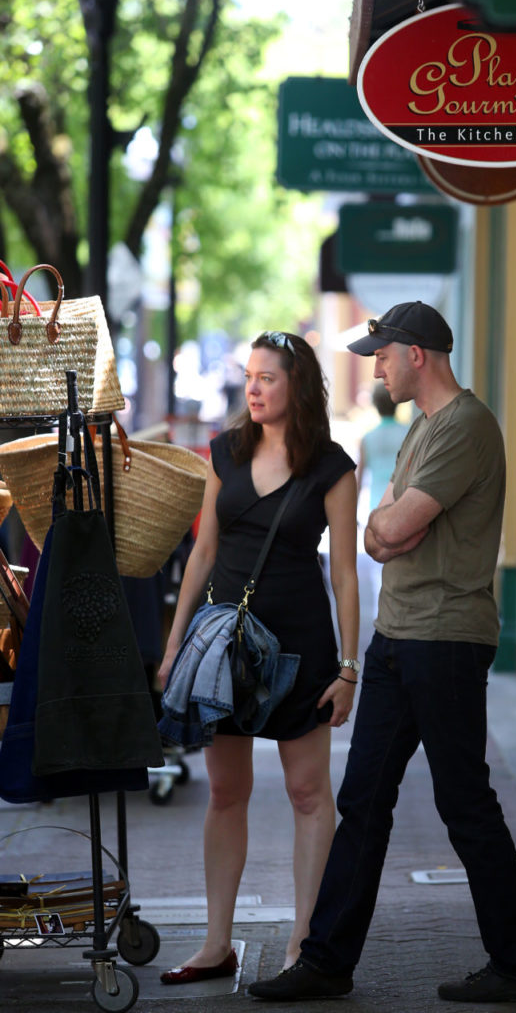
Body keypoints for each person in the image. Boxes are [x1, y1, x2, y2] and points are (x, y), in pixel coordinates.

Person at [248, 302, 516, 1004]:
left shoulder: (466, 428)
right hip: (397, 636)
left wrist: (392, 527)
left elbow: (398, 524)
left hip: (445, 637)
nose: (376, 366)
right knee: (363, 801)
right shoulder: (419, 427)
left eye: (383, 354)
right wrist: (391, 528)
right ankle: (326, 961)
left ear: (418, 353)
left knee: (464, 802)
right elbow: (376, 536)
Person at [157, 330, 359, 985]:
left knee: (307, 793)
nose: (253, 388)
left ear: (296, 385)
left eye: (267, 377)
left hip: (301, 650)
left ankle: (306, 944)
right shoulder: (227, 452)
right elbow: (204, 553)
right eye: (250, 376)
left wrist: (349, 668)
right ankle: (217, 943)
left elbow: (347, 577)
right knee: (224, 791)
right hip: (225, 652)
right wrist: (172, 646)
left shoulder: (331, 467)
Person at [356, 381, 408, 511]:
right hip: (403, 504)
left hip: (376, 506)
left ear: (375, 404)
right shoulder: (408, 433)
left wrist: (353, 511)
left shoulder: (367, 438)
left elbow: (359, 479)